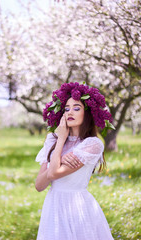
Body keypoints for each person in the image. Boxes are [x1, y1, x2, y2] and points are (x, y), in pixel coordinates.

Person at [35, 82, 114, 240]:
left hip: (77, 206)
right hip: (53, 206)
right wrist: (61, 143)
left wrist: (58, 154)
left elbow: (53, 173)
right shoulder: (53, 139)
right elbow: (39, 185)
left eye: (77, 108)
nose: (70, 112)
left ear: (88, 113)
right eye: (66, 108)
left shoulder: (92, 144)